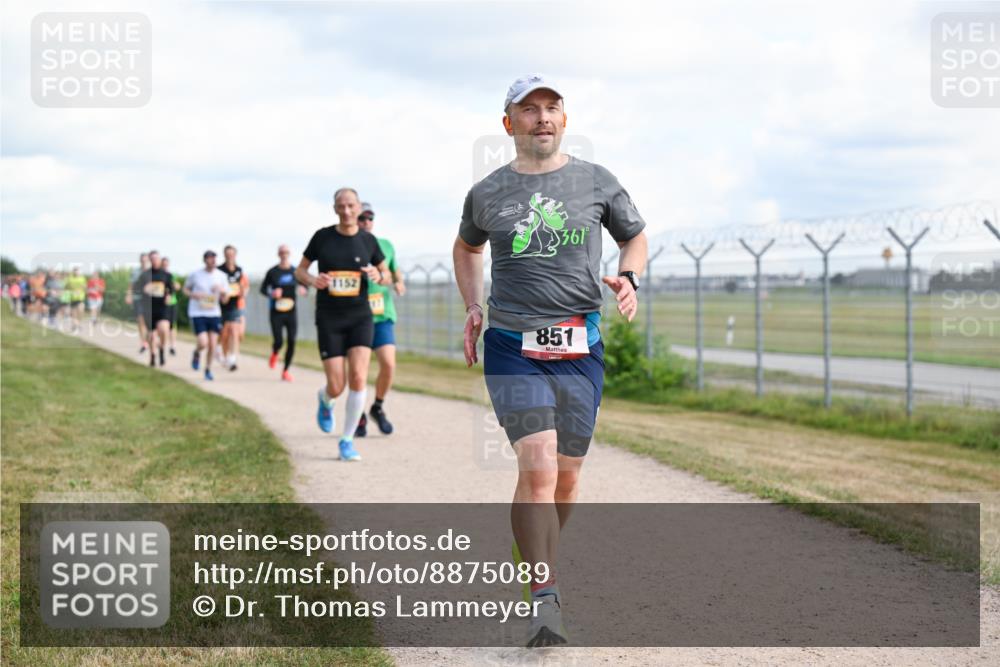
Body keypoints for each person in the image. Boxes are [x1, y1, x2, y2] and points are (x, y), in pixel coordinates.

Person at [453, 74, 648, 647]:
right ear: (508, 123)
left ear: (565, 120)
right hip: (513, 344)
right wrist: (472, 305)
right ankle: (545, 598)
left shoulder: (597, 181)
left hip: (579, 343)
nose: (542, 117)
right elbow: (467, 247)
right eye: (529, 109)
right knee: (536, 469)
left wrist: (630, 277)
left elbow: (634, 236)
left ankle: (533, 554)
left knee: (565, 479)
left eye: (552, 108)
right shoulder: (487, 192)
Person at [294, 187, 391, 462]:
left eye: (351, 205)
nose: (346, 211)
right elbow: (299, 270)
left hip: (360, 317)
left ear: (359, 207)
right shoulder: (322, 237)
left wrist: (377, 273)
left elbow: (385, 274)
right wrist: (313, 280)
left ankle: (346, 440)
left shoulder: (368, 241)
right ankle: (325, 399)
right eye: (341, 206)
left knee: (358, 377)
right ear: (335, 209)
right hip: (329, 317)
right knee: (336, 385)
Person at [355, 202, 406, 437]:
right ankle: (358, 414)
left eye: (369, 218)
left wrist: (399, 282)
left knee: (388, 364)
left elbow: (394, 271)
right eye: (361, 218)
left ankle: (377, 407)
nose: (365, 222)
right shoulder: (346, 244)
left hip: (382, 314)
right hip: (355, 315)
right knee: (359, 370)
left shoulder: (385, 245)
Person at [184, 250, 230, 381]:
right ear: (205, 260)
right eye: (210, 258)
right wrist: (194, 295)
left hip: (214, 313)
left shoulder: (221, 276)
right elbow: (185, 290)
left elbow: (225, 299)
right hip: (197, 312)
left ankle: (208, 369)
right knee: (203, 342)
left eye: (214, 258)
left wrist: (222, 292)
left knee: (213, 344)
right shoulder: (196, 275)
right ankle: (197, 352)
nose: (213, 261)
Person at [261, 244, 304, 382]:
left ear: (289, 254)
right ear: (278, 254)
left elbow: (305, 286)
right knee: (279, 341)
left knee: (292, 341)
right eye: (282, 252)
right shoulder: (272, 272)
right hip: (276, 312)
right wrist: (271, 293)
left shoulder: (295, 271)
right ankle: (275, 352)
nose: (284, 254)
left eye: (286, 252)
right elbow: (262, 289)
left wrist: (304, 290)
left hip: (291, 312)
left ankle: (285, 371)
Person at [135, 250, 175, 367]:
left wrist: (168, 296)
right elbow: (137, 289)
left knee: (164, 329)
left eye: (156, 258)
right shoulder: (145, 275)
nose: (154, 261)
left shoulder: (166, 275)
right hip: (149, 307)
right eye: (152, 259)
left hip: (162, 307)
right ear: (149, 260)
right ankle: (153, 355)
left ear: (159, 259)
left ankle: (162, 348)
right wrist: (145, 289)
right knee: (151, 334)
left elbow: (171, 289)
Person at [218, 245, 249, 371]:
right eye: (227, 254)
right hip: (222, 305)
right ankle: (225, 355)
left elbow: (245, 287)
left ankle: (232, 357)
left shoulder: (239, 270)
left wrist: (243, 293)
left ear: (235, 255)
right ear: (224, 255)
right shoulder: (219, 270)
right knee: (224, 334)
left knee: (234, 330)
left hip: (236, 304)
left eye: (232, 254)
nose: (230, 256)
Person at [126, 253, 151, 354]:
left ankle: (148, 340)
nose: (144, 262)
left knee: (150, 323)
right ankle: (143, 343)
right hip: (138, 298)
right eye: (142, 260)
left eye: (146, 260)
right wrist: (128, 295)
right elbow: (131, 285)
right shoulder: (136, 272)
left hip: (150, 300)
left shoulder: (152, 272)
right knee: (141, 320)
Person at [161, 257, 181, 356]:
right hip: (161, 303)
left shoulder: (172, 275)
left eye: (166, 264)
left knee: (172, 325)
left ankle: (172, 346)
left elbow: (178, 286)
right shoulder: (157, 276)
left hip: (172, 302)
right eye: (163, 264)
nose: (165, 265)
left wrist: (173, 285)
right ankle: (162, 345)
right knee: (163, 326)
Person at [65, 266, 87, 332]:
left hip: (80, 298)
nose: (76, 272)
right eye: (75, 271)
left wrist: (81, 290)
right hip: (72, 298)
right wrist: (72, 291)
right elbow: (66, 288)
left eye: (77, 271)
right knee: (74, 314)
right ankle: (75, 325)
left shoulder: (82, 278)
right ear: (73, 272)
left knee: (81, 311)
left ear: (79, 272)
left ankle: (78, 324)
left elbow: (85, 287)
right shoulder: (70, 279)